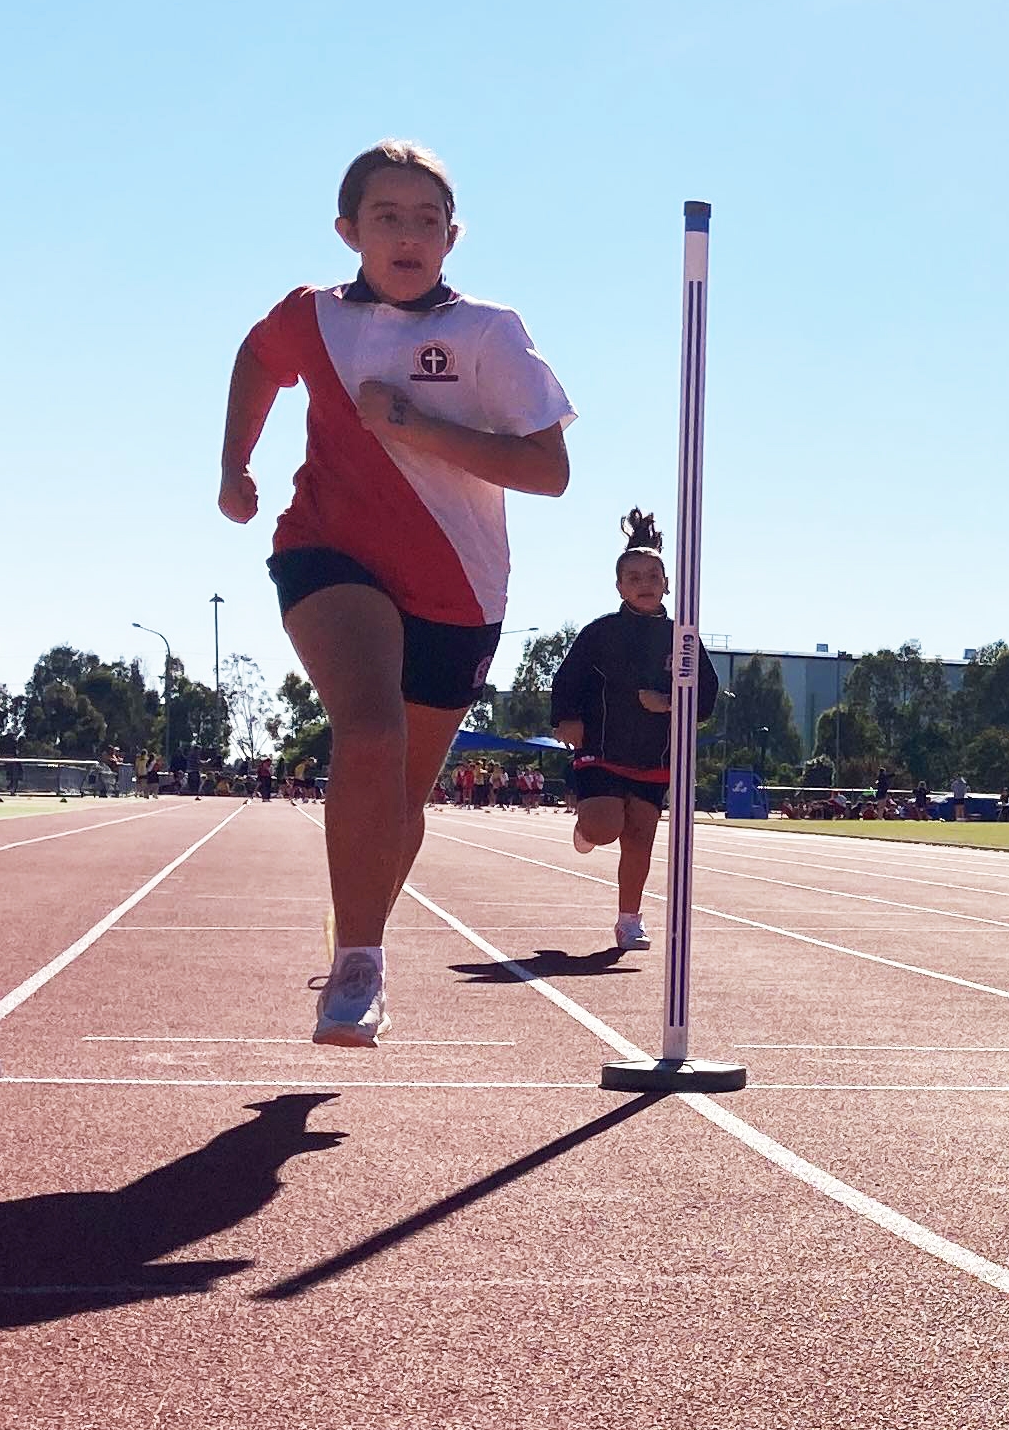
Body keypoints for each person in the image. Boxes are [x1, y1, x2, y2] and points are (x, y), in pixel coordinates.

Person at [217, 141, 574, 1045]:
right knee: (367, 730)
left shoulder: (492, 333)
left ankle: (359, 929)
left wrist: (418, 426)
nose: (408, 234)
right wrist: (234, 464)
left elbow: (550, 471)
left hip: (459, 586)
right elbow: (256, 360)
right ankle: (358, 963)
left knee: (404, 798)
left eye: (426, 219)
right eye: (387, 216)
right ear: (349, 231)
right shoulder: (315, 318)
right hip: (329, 552)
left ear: (452, 237)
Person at [550, 511, 719, 952]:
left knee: (640, 837)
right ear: (620, 586)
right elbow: (567, 678)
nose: (644, 582)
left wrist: (669, 704)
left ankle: (629, 920)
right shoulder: (601, 632)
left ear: (667, 583)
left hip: (654, 756)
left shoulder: (682, 637)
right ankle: (587, 821)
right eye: (633, 577)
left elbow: (705, 697)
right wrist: (566, 717)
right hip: (603, 748)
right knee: (607, 828)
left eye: (652, 575)